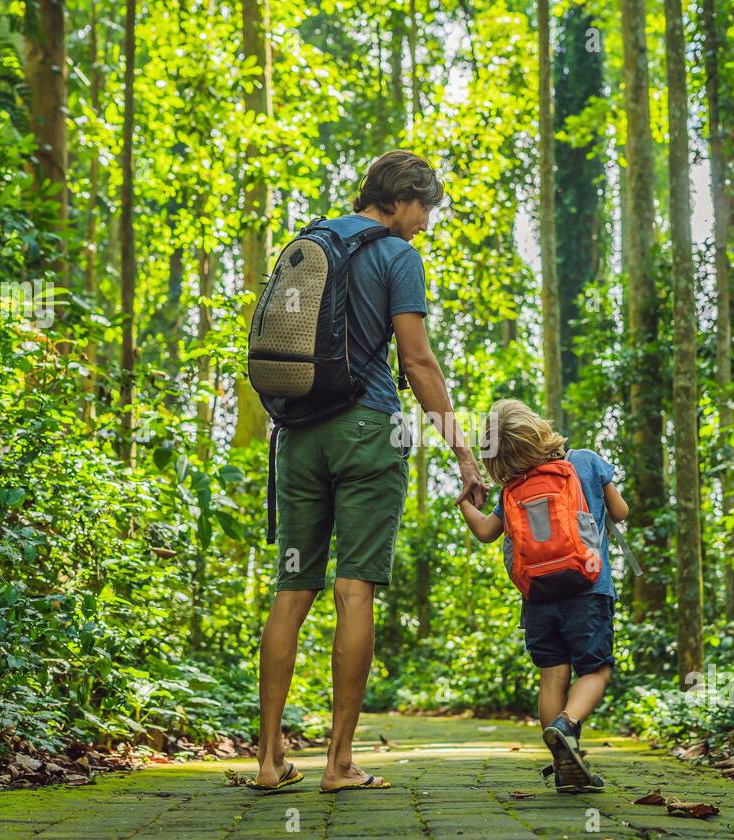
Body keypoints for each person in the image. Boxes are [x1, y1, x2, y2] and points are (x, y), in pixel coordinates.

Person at [253, 151, 489, 793]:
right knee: (353, 591)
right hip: (367, 431)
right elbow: (416, 362)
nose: (425, 224)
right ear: (404, 197)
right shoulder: (396, 255)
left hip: (299, 437)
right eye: (425, 209)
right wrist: (462, 449)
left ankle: (270, 761)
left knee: (292, 590)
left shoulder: (313, 239)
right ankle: (338, 764)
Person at [457, 399, 628, 792]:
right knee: (595, 670)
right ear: (539, 428)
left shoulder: (512, 489)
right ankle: (566, 726)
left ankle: (565, 764)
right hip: (588, 590)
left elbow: (485, 532)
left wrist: (466, 501)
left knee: (552, 674)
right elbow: (621, 511)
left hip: (537, 598)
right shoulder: (584, 461)